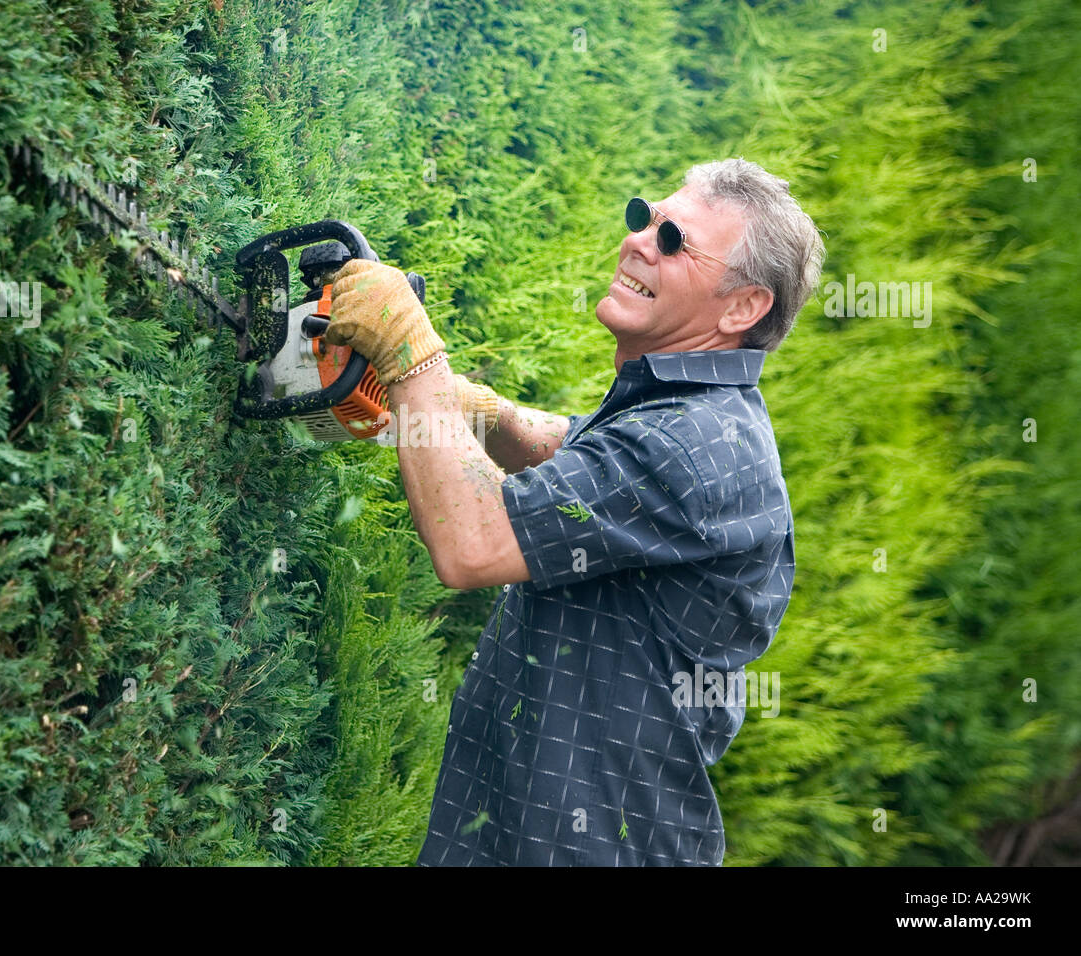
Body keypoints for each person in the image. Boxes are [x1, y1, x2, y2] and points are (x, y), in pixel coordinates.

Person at [323, 158, 825, 865]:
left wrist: (412, 355)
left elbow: (473, 544)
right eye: (644, 218)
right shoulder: (693, 411)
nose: (640, 242)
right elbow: (569, 452)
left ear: (742, 307)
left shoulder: (697, 443)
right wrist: (474, 409)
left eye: (675, 238)